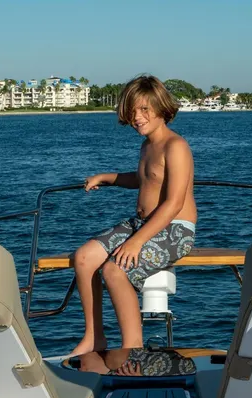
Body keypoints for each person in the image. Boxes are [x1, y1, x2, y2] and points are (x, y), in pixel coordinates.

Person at [68, 74, 197, 357]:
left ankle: (132, 349)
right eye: (132, 112)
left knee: (114, 270)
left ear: (162, 108)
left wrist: (137, 241)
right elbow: (144, 179)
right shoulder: (147, 145)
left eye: (144, 110)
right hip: (142, 224)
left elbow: (174, 203)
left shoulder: (176, 147)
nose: (137, 118)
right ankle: (94, 338)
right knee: (83, 258)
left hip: (174, 230)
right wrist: (106, 177)